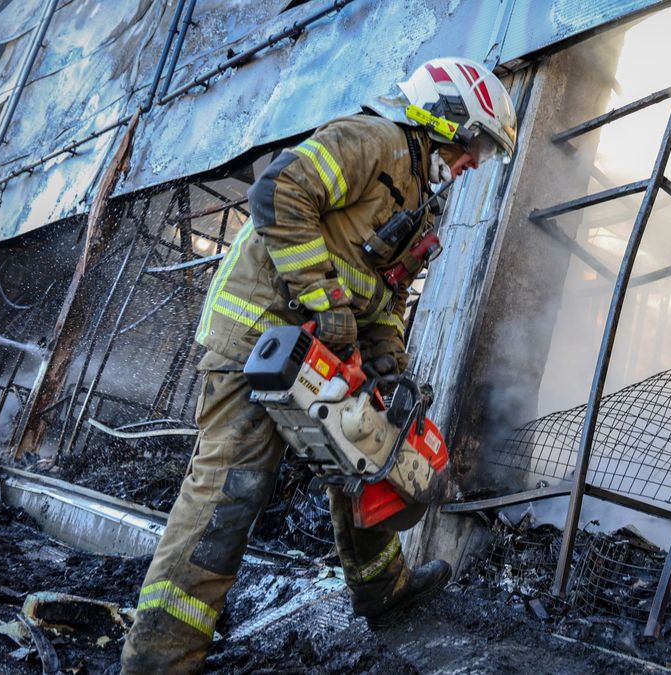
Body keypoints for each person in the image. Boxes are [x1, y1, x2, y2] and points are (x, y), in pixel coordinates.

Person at [120, 56, 517, 674]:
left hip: (320, 352)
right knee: (232, 491)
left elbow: (384, 301)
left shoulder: (422, 202)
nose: (472, 165)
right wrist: (326, 301)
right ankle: (158, 659)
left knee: (369, 457)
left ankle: (380, 589)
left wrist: (391, 368)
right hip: (259, 340)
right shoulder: (374, 141)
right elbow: (277, 193)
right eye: (477, 147)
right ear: (447, 120)